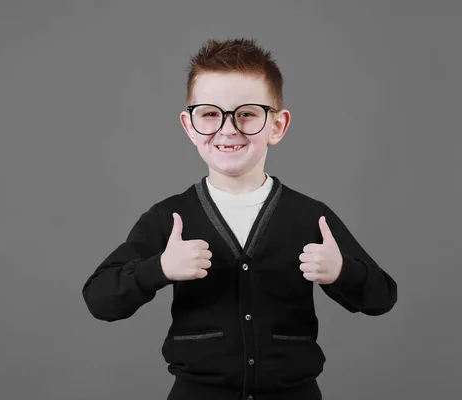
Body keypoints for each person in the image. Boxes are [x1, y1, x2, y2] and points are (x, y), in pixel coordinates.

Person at [82, 37, 397, 400]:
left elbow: (382, 297)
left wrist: (343, 271)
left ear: (276, 126)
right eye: (210, 114)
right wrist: (160, 268)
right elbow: (100, 299)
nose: (228, 129)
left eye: (247, 113)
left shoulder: (311, 217)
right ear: (189, 125)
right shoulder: (169, 218)